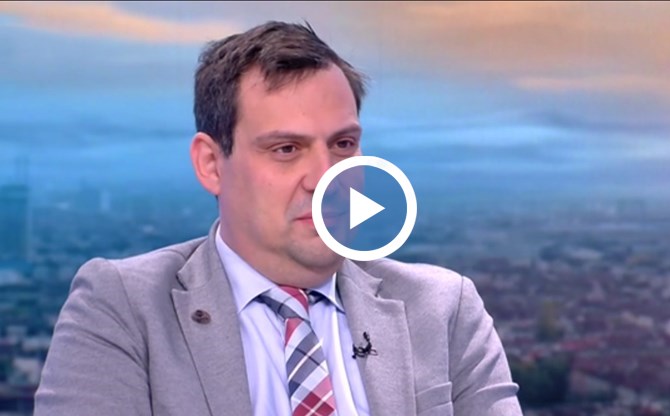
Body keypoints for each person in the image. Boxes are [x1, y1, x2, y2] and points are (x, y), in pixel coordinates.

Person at [34, 21, 522, 416]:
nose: (326, 178)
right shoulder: (123, 309)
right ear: (211, 164)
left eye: (343, 144)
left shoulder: (443, 308)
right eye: (286, 149)